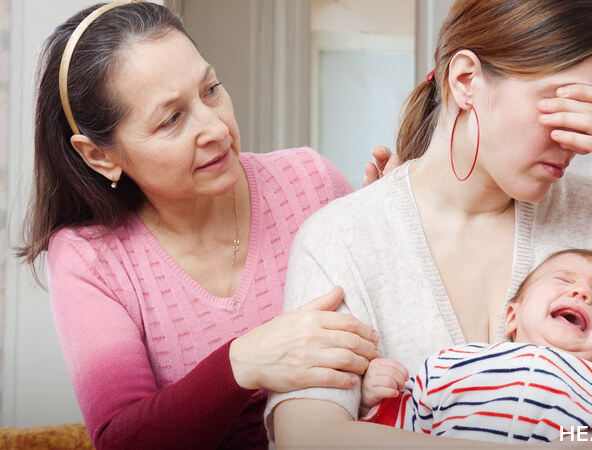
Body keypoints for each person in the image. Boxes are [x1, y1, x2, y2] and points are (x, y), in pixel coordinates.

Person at [269, 0, 592, 447]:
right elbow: (310, 436)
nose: (579, 143)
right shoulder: (342, 238)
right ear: (466, 80)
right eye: (565, 105)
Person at [18, 2, 389, 448]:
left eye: (211, 90)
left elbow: (400, 350)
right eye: (171, 119)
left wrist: (397, 225)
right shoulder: (91, 258)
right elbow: (123, 440)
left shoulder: (311, 181)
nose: (214, 126)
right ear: (100, 155)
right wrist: (240, 363)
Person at [359, 249, 592, 449]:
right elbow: (404, 425)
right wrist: (375, 397)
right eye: (563, 279)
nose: (582, 292)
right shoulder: (453, 363)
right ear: (512, 316)